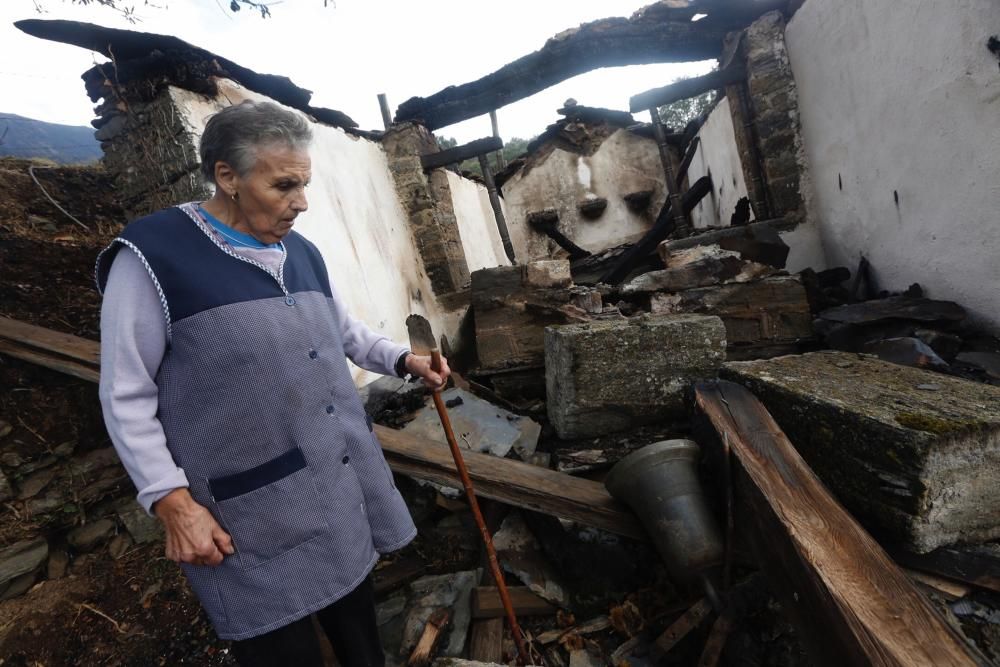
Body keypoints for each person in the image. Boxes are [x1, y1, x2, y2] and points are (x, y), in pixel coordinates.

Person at [96, 100, 449, 666]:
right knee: (283, 651)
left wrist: (403, 361)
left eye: (304, 184)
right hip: (246, 515)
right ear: (227, 176)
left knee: (361, 642)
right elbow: (124, 393)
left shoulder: (300, 252)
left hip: (332, 486)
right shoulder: (154, 257)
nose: (300, 203)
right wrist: (170, 501)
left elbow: (339, 329)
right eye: (284, 185)